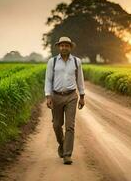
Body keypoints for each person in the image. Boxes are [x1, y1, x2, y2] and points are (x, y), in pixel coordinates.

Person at [44, 36, 85, 165]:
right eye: (62, 45)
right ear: (59, 47)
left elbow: (80, 79)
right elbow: (48, 80)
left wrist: (82, 96)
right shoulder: (53, 61)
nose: (64, 47)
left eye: (67, 45)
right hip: (56, 96)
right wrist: (48, 96)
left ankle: (67, 154)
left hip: (71, 96)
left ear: (70, 47)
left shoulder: (77, 61)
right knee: (57, 125)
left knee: (70, 126)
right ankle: (62, 144)